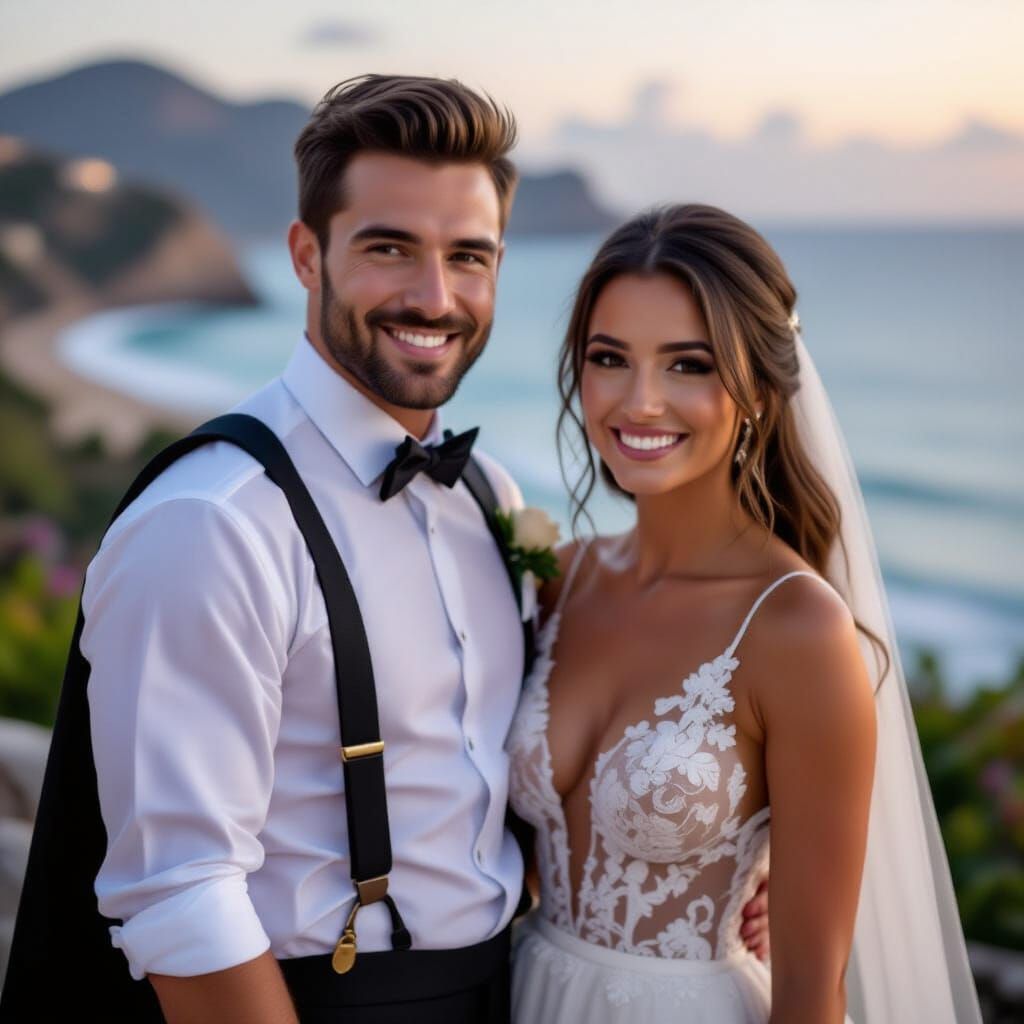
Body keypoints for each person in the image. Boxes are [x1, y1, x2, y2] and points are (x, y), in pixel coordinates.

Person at [1, 79, 773, 1023]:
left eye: (469, 257)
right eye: (389, 248)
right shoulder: (214, 522)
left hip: (512, 991)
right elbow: (180, 896)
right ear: (305, 254)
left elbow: (494, 786)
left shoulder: (492, 501)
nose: (434, 296)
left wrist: (708, 867)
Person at [507, 204, 983, 1023]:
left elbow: (812, 992)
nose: (640, 401)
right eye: (609, 358)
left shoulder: (798, 630)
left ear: (759, 388)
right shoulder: (564, 581)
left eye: (687, 365)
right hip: (526, 995)